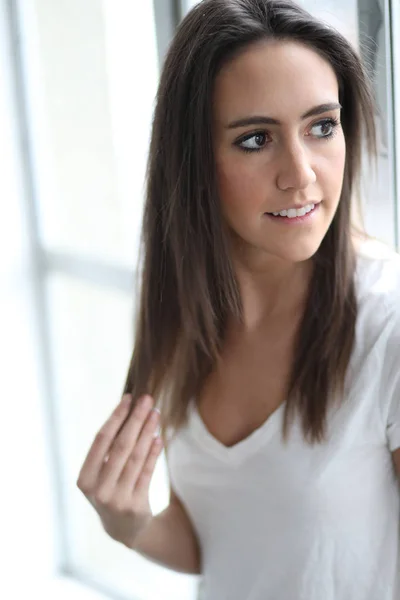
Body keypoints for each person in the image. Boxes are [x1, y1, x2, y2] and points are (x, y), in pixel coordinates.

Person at [77, 0, 400, 598]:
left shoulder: (388, 327)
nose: (301, 173)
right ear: (194, 159)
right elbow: (230, 543)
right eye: (256, 139)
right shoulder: (181, 319)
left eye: (322, 126)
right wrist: (129, 522)